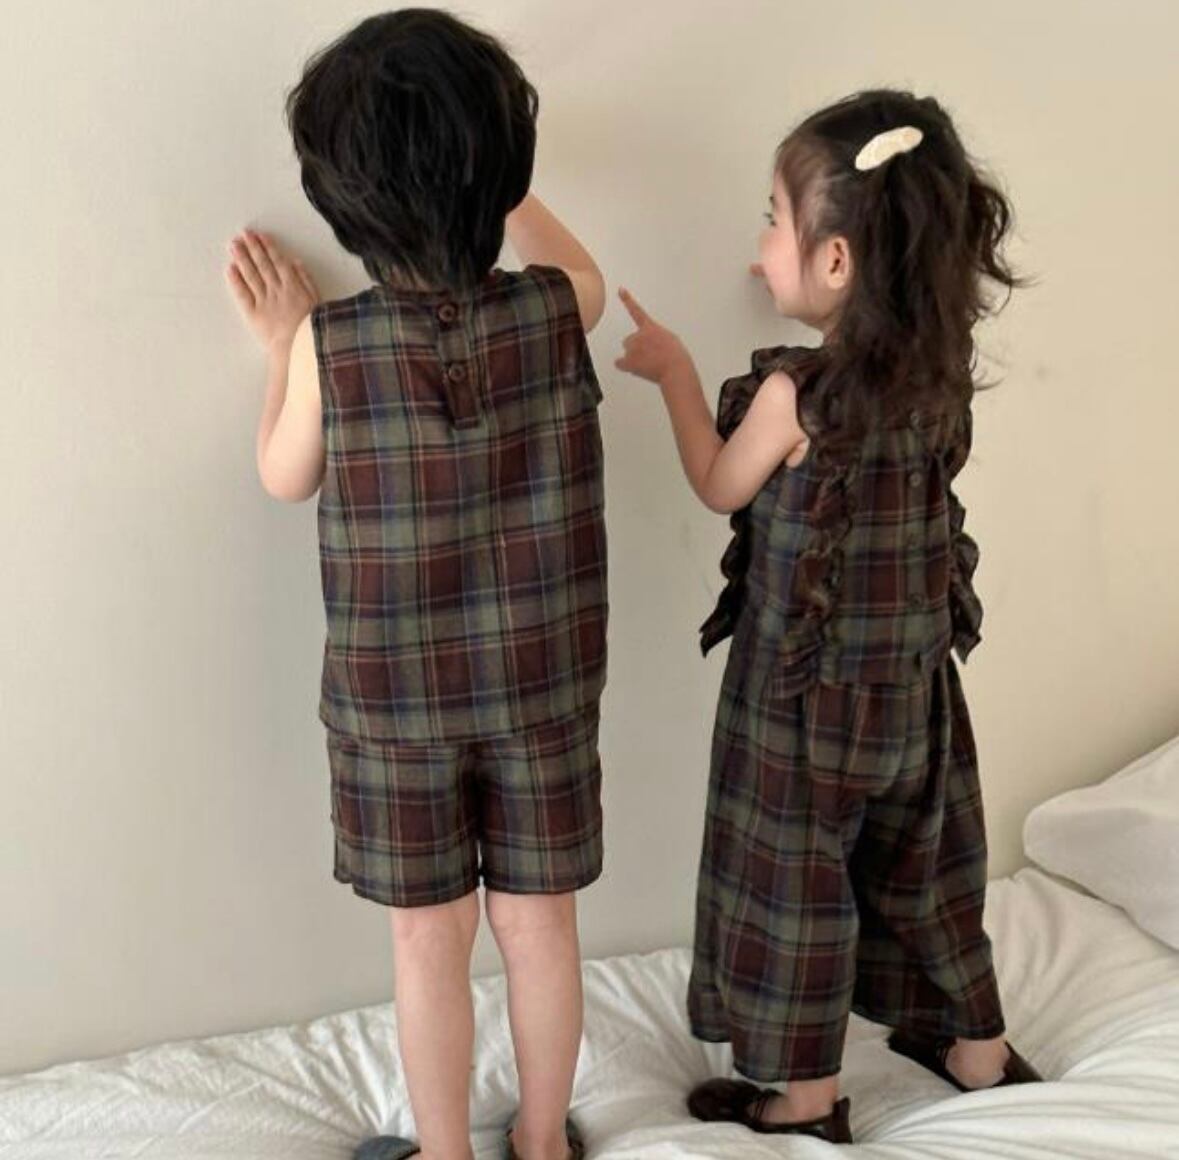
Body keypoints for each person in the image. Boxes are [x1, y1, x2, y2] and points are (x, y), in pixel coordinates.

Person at [614, 88, 1041, 1146]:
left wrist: (672, 371)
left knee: (792, 886)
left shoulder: (795, 397)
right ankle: (978, 1048)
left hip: (799, 702)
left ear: (838, 260)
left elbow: (718, 484)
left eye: (773, 221)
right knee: (928, 868)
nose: (761, 247)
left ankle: (805, 1098)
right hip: (915, 689)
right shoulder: (940, 384)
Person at [224, 11, 608, 1160]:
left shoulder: (330, 347)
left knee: (426, 942)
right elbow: (582, 267)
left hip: (396, 712)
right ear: (503, 172)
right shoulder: (554, 308)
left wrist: (282, 344)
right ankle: (542, 1142)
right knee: (542, 927)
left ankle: (445, 1153)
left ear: (344, 204)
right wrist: (500, 188)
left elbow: (283, 474)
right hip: (544, 689)